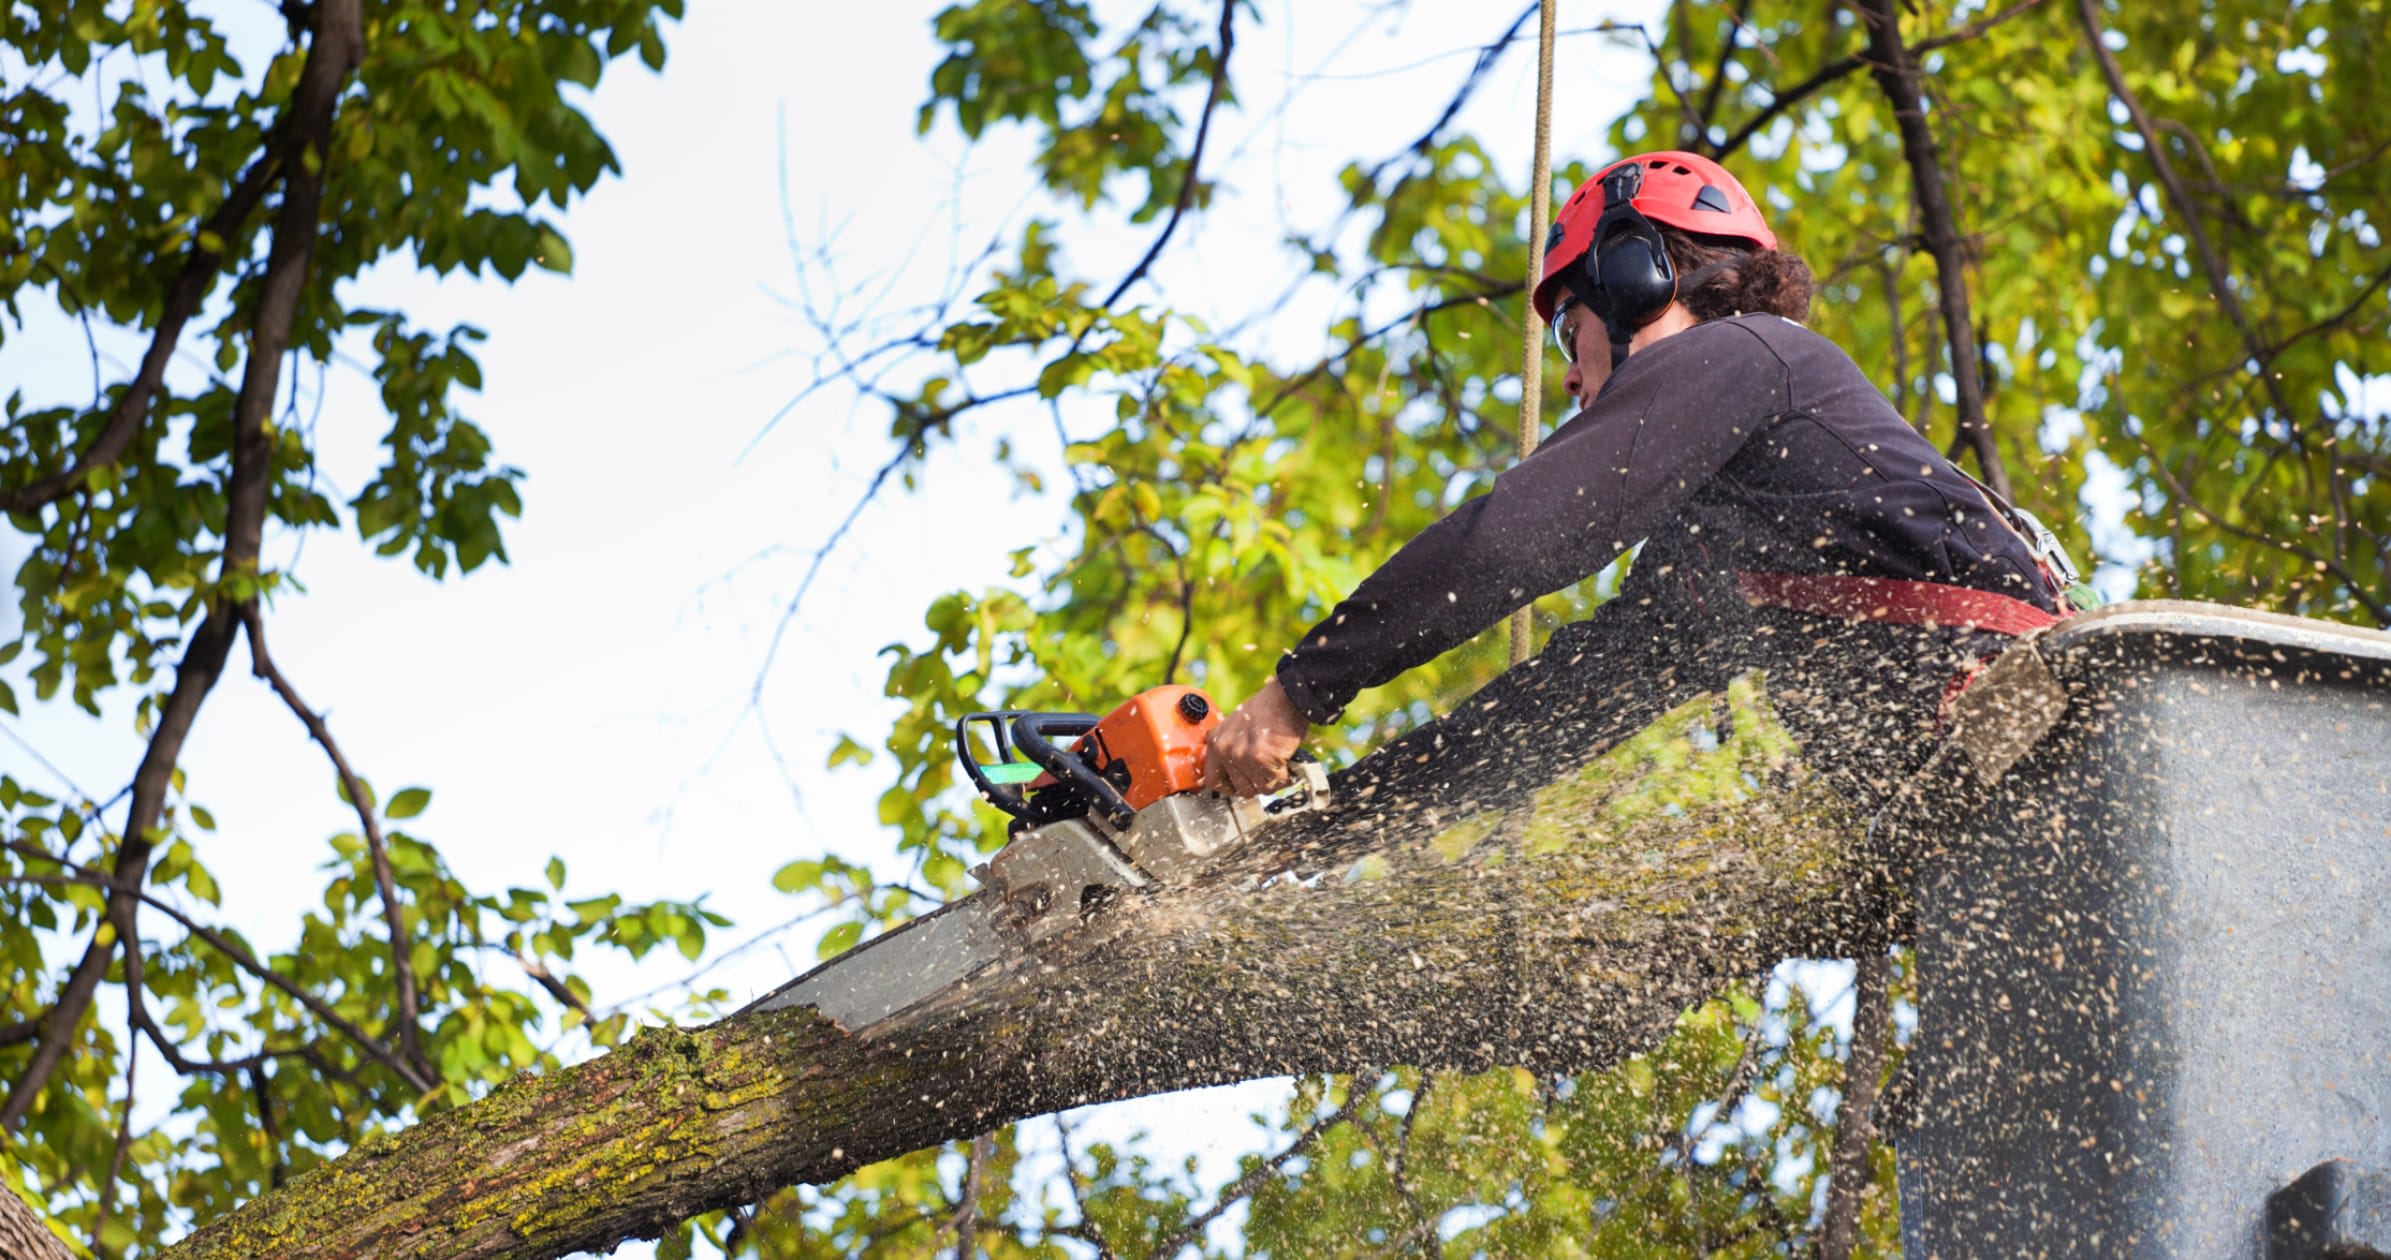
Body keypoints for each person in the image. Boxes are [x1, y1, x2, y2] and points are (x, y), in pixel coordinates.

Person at [1201, 151, 2079, 812]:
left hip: (2045, 737)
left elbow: (1515, 537)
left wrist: (1298, 690)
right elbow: (1553, 715)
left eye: (1566, 329)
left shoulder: (1748, 355)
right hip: (1992, 801)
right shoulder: (1718, 546)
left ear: (1634, 279)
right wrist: (1322, 819)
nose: (1571, 379)